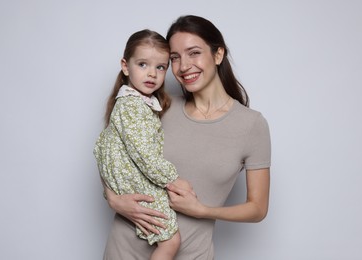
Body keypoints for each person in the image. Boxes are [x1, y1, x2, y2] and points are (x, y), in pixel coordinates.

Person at [102, 15, 271, 259]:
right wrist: (113, 199)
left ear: (218, 54)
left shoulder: (252, 125)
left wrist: (203, 210)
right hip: (124, 249)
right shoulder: (158, 107)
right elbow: (111, 150)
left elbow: (257, 208)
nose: (183, 66)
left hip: (191, 253)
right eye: (174, 58)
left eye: (194, 53)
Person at [93, 29, 191, 260]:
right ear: (125, 66)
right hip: (136, 183)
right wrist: (173, 180)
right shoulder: (132, 106)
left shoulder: (141, 103)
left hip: (130, 180)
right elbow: (145, 156)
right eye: (143, 65)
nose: (152, 74)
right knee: (171, 241)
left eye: (160, 67)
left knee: (166, 239)